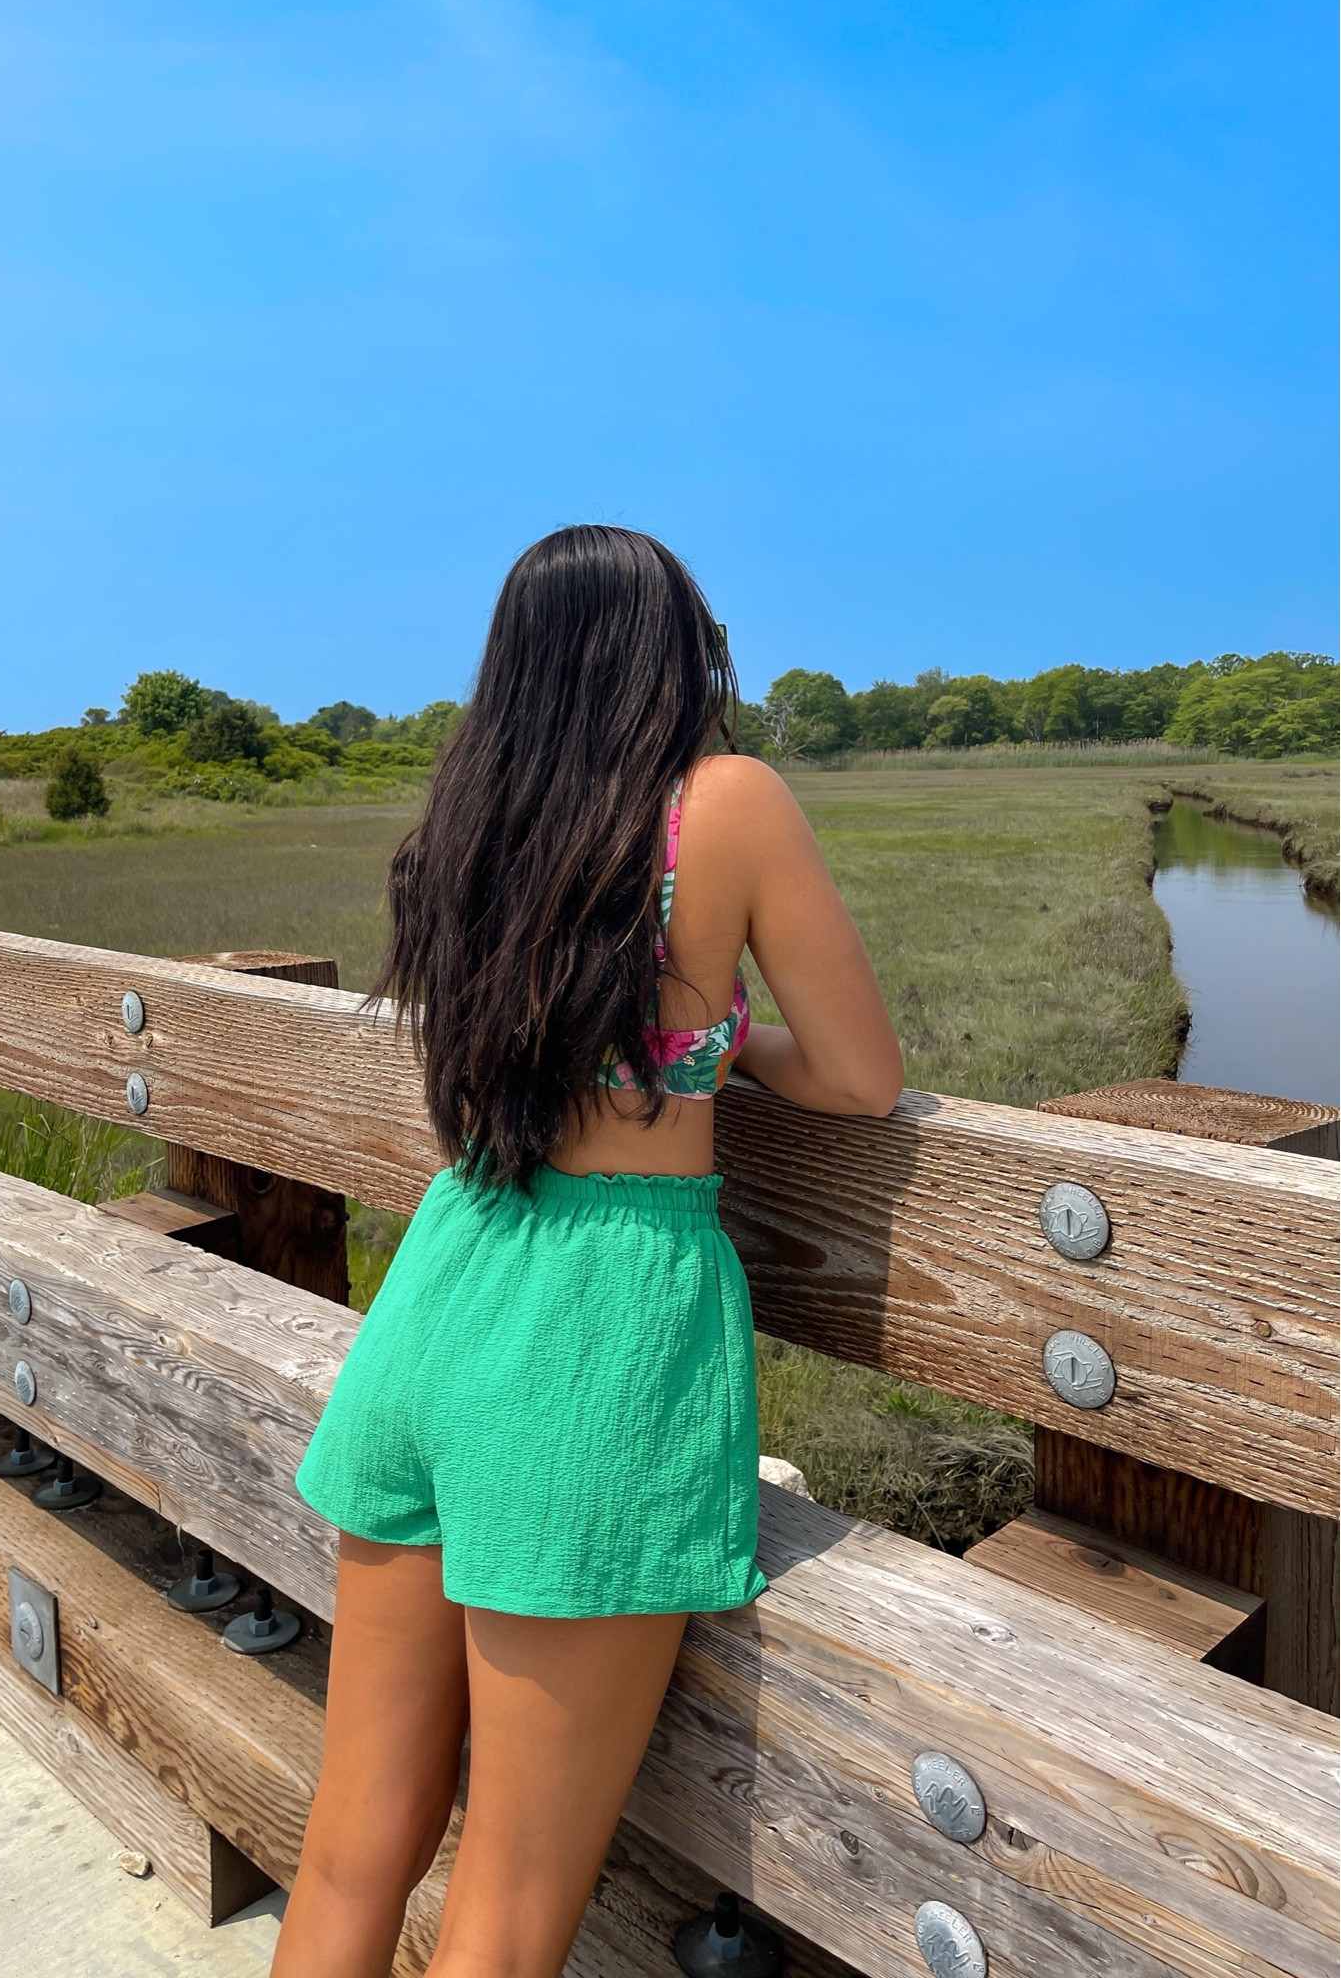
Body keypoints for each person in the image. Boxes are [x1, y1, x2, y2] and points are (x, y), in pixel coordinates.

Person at [273, 525, 902, 1978]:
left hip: (446, 1289)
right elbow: (864, 1076)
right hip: (594, 1345)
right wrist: (711, 1050)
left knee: (350, 1844)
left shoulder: (468, 822)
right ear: (670, 655)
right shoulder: (724, 804)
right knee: (504, 1906)